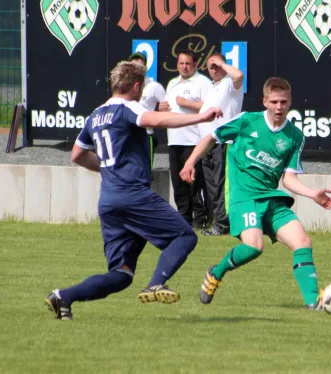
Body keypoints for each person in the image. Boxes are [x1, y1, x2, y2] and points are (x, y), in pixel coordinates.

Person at [45, 61, 222, 320]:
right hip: (133, 196)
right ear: (137, 86)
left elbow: (77, 154)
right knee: (185, 236)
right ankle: (156, 284)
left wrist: (108, 168)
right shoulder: (128, 107)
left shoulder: (96, 114)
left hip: (109, 202)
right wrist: (199, 117)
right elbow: (156, 118)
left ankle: (63, 297)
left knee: (121, 275)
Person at [180, 77, 331, 310]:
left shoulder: (295, 136)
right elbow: (211, 138)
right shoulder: (246, 122)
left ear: (290, 102)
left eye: (284, 102)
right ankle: (217, 271)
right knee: (254, 246)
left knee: (303, 242)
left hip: (272, 199)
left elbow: (289, 178)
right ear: (265, 101)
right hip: (244, 197)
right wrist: (190, 162)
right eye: (274, 101)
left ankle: (312, 302)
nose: (279, 107)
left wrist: (313, 194)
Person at [160, 50, 212, 228]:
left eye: (188, 63)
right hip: (174, 140)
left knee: (195, 183)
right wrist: (162, 107)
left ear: (195, 64)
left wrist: (188, 103)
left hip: (194, 141)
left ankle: (201, 220)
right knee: (178, 183)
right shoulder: (172, 83)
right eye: (181, 63)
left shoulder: (202, 82)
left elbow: (211, 108)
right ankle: (184, 219)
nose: (184, 67)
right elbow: (168, 108)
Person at [197, 53, 245, 236]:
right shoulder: (211, 87)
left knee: (221, 184)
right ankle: (218, 220)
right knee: (211, 184)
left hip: (223, 141)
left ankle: (224, 223)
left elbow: (239, 76)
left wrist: (222, 64)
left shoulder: (229, 84)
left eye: (217, 65)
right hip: (207, 142)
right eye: (211, 66)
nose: (214, 69)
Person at [128, 52, 166, 167]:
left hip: (145, 134)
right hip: (128, 134)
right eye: (133, 66)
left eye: (139, 66)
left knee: (145, 171)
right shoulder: (125, 85)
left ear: (145, 68)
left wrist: (161, 111)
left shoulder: (154, 86)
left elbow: (168, 108)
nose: (136, 70)